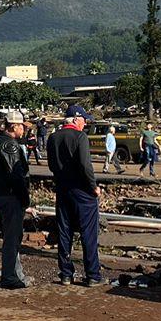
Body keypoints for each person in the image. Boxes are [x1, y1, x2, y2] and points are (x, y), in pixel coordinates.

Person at [47, 104, 103, 285]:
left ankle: (66, 274)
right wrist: (93, 187)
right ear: (76, 119)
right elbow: (85, 165)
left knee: (64, 231)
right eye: (84, 120)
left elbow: (51, 165)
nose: (85, 123)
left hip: (63, 188)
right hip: (82, 190)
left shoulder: (53, 137)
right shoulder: (80, 137)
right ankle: (92, 274)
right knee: (88, 232)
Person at [0, 110, 32, 289]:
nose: (24, 130)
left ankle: (15, 274)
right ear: (14, 126)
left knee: (11, 236)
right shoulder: (9, 145)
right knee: (12, 238)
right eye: (22, 126)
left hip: (1, 194)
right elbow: (16, 174)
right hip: (10, 196)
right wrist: (24, 197)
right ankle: (10, 276)